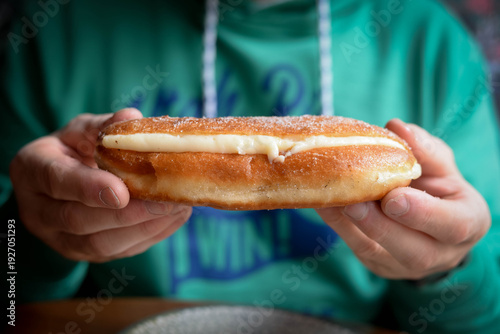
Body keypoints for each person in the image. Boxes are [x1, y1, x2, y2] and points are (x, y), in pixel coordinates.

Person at [1, 0, 499, 332]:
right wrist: (29, 233)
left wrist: (448, 270)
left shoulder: (433, 48)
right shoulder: (53, 28)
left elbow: (484, 320)